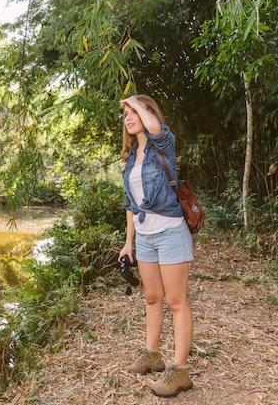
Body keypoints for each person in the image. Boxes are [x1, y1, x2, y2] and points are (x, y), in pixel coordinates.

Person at [118, 94, 194, 398]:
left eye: (135, 112)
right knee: (152, 297)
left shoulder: (162, 144)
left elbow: (156, 128)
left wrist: (136, 101)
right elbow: (130, 204)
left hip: (171, 232)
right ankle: (152, 355)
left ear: (149, 114)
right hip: (146, 236)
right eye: (125, 115)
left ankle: (180, 371)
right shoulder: (130, 157)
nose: (129, 117)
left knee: (176, 302)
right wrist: (128, 242)